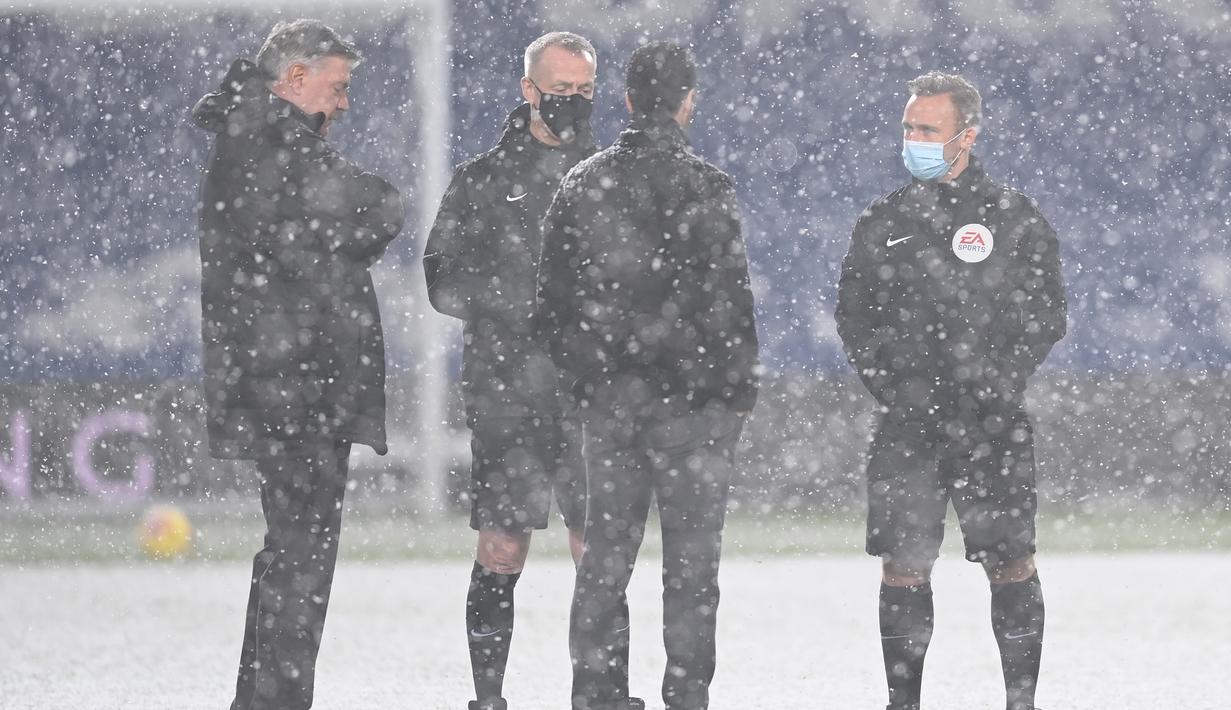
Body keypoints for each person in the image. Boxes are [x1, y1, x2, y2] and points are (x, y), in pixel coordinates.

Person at [538, 41, 760, 710]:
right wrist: (729, 394)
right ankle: (685, 698)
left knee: (604, 563)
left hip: (612, 408)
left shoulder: (583, 182)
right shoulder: (706, 185)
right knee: (692, 574)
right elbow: (730, 303)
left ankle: (594, 697)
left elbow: (552, 304)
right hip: (692, 414)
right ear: (688, 100)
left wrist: (592, 382)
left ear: (626, 99)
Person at [835, 71, 1067, 710]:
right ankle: (902, 703)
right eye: (909, 127)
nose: (913, 140)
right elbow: (853, 316)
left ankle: (1022, 700)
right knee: (902, 565)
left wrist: (1000, 377)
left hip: (992, 422)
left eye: (927, 130)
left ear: (966, 135)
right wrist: (893, 386)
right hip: (910, 426)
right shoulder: (884, 221)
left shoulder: (1013, 217)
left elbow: (1048, 312)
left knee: (1012, 562)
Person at [192, 19, 403, 710]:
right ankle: (277, 701)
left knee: (288, 551)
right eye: (335, 88)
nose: (342, 105)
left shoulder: (249, 140)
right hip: (297, 384)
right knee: (302, 558)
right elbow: (379, 207)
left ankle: (260, 700)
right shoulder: (267, 142)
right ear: (292, 79)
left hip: (282, 378)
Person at [422, 31, 599, 710]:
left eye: (583, 92)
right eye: (560, 92)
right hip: (505, 393)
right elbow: (442, 281)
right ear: (528, 90)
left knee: (598, 552)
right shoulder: (482, 179)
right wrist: (522, 307)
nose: (572, 104)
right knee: (501, 549)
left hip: (588, 395)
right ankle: (487, 700)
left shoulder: (609, 172)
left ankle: (597, 695)